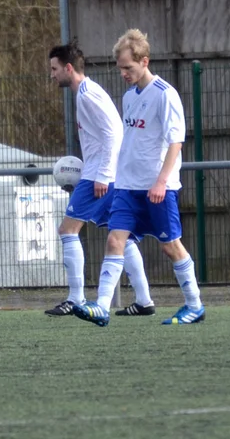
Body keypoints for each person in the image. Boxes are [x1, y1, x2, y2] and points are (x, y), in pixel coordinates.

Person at [73, 29, 205, 327]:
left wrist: (161, 181)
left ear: (144, 61)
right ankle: (101, 307)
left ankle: (195, 305)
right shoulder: (129, 96)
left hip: (157, 188)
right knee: (114, 240)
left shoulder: (165, 94)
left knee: (170, 246)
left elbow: (176, 142)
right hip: (127, 187)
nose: (123, 73)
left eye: (128, 67)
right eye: (120, 68)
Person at [46, 42, 154, 317]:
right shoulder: (86, 92)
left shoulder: (87, 95)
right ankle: (144, 300)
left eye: (54, 69)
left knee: (67, 230)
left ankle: (75, 299)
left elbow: (113, 133)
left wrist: (103, 175)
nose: (52, 75)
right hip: (107, 174)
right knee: (121, 236)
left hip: (99, 175)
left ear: (68, 68)